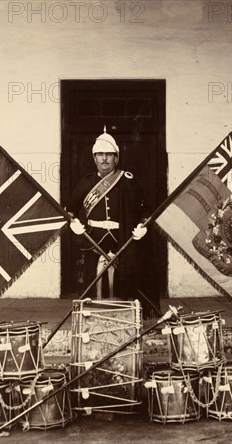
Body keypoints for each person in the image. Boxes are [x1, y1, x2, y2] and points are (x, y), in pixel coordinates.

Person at [66, 128, 160, 317]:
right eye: (100, 154)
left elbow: (145, 210)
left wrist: (142, 225)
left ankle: (124, 326)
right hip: (94, 243)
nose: (104, 159)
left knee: (124, 289)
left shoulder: (128, 181)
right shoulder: (86, 183)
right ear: (94, 158)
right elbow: (69, 211)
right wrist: (73, 224)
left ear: (116, 158)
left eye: (109, 154)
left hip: (123, 243)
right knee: (92, 290)